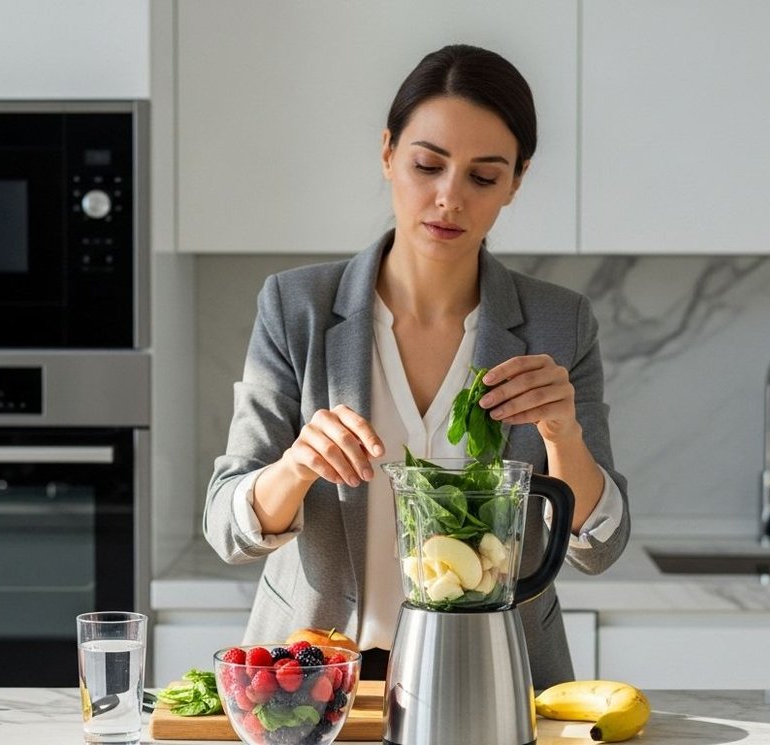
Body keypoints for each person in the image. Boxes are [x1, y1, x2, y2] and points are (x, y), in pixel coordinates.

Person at [204, 44, 629, 688]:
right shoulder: (296, 307)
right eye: (427, 165)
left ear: (516, 181)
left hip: (498, 678)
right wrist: (296, 467)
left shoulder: (558, 323)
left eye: (483, 178)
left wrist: (562, 435)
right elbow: (225, 526)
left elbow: (600, 547)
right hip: (316, 683)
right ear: (388, 153)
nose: (449, 197)